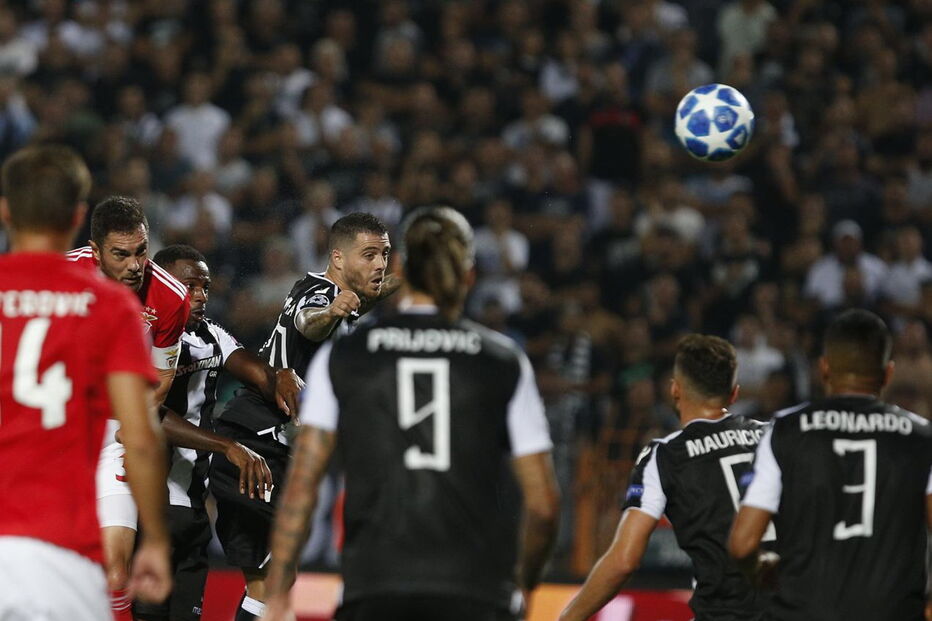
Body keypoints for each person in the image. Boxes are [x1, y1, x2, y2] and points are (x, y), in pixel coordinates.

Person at [262, 206, 561, 621]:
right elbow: (544, 505)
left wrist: (277, 594)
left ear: (398, 268)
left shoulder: (345, 357)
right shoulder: (504, 360)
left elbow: (302, 486)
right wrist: (525, 583)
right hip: (476, 587)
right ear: (469, 276)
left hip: (375, 585)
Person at [67, 196, 260, 620]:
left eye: (141, 252)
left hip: (114, 431)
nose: (135, 265)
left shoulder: (169, 299)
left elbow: (160, 383)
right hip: (61, 429)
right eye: (121, 254)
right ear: (96, 251)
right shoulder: (64, 277)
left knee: (116, 569)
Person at [0, 145, 171, 618]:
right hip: (65, 555)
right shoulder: (110, 306)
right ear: (78, 218)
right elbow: (139, 436)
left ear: (5, 211)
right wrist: (156, 539)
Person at [210, 212, 402, 619]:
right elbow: (308, 322)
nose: (380, 264)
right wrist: (331, 312)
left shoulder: (345, 301)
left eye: (384, 254)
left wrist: (417, 278)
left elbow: (368, 297)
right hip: (255, 444)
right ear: (337, 256)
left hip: (260, 445)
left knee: (270, 585)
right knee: (279, 573)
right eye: (368, 255)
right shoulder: (317, 291)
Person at [131, 244, 305, 621]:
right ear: (160, 285)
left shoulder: (211, 335)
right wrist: (228, 446)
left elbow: (256, 371)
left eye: (205, 288)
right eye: (188, 286)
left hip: (191, 508)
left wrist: (281, 377)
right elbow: (149, 414)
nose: (200, 297)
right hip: (145, 505)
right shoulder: (139, 340)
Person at [730, 309, 932, 621]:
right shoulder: (922, 438)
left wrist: (762, 570)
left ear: (824, 369)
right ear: (888, 373)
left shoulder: (784, 430)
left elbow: (742, 544)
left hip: (803, 611)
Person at [561, 334, 772, 621]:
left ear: (675, 390)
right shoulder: (776, 436)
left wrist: (567, 617)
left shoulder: (665, 456)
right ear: (734, 393)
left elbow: (624, 560)